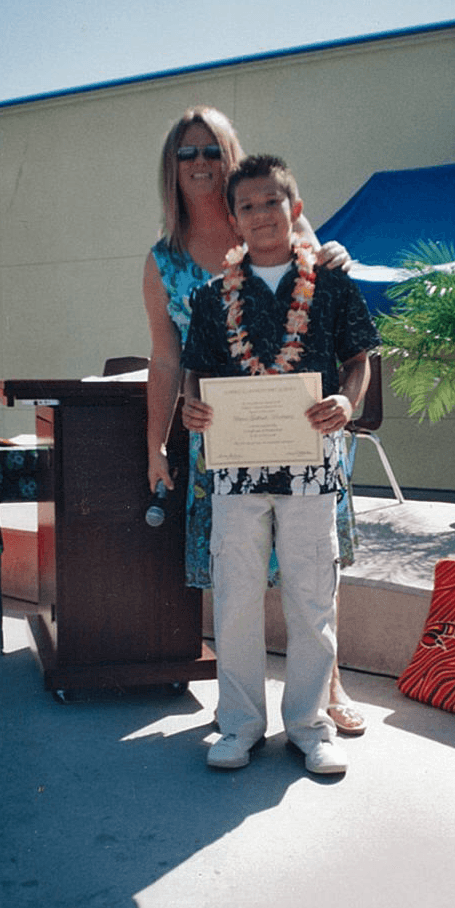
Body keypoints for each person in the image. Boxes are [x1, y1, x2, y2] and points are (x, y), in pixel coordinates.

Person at [143, 106, 368, 734]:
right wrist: (158, 442)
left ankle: (322, 698)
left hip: (306, 438)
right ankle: (240, 717)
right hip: (228, 444)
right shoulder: (169, 263)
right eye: (187, 153)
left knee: (312, 576)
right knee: (237, 586)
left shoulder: (277, 213)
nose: (200, 163)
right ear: (171, 166)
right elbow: (169, 360)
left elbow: (336, 314)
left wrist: (337, 255)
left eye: (211, 150)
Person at [181, 155, 379, 772]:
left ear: (294, 208)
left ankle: (310, 725)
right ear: (234, 220)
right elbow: (195, 371)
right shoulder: (211, 297)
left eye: (272, 202)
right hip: (235, 472)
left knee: (312, 598)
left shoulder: (332, 285)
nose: (261, 214)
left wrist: (347, 400)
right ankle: (239, 725)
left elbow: (359, 358)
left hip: (310, 466)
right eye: (247, 206)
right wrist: (191, 405)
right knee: (236, 599)